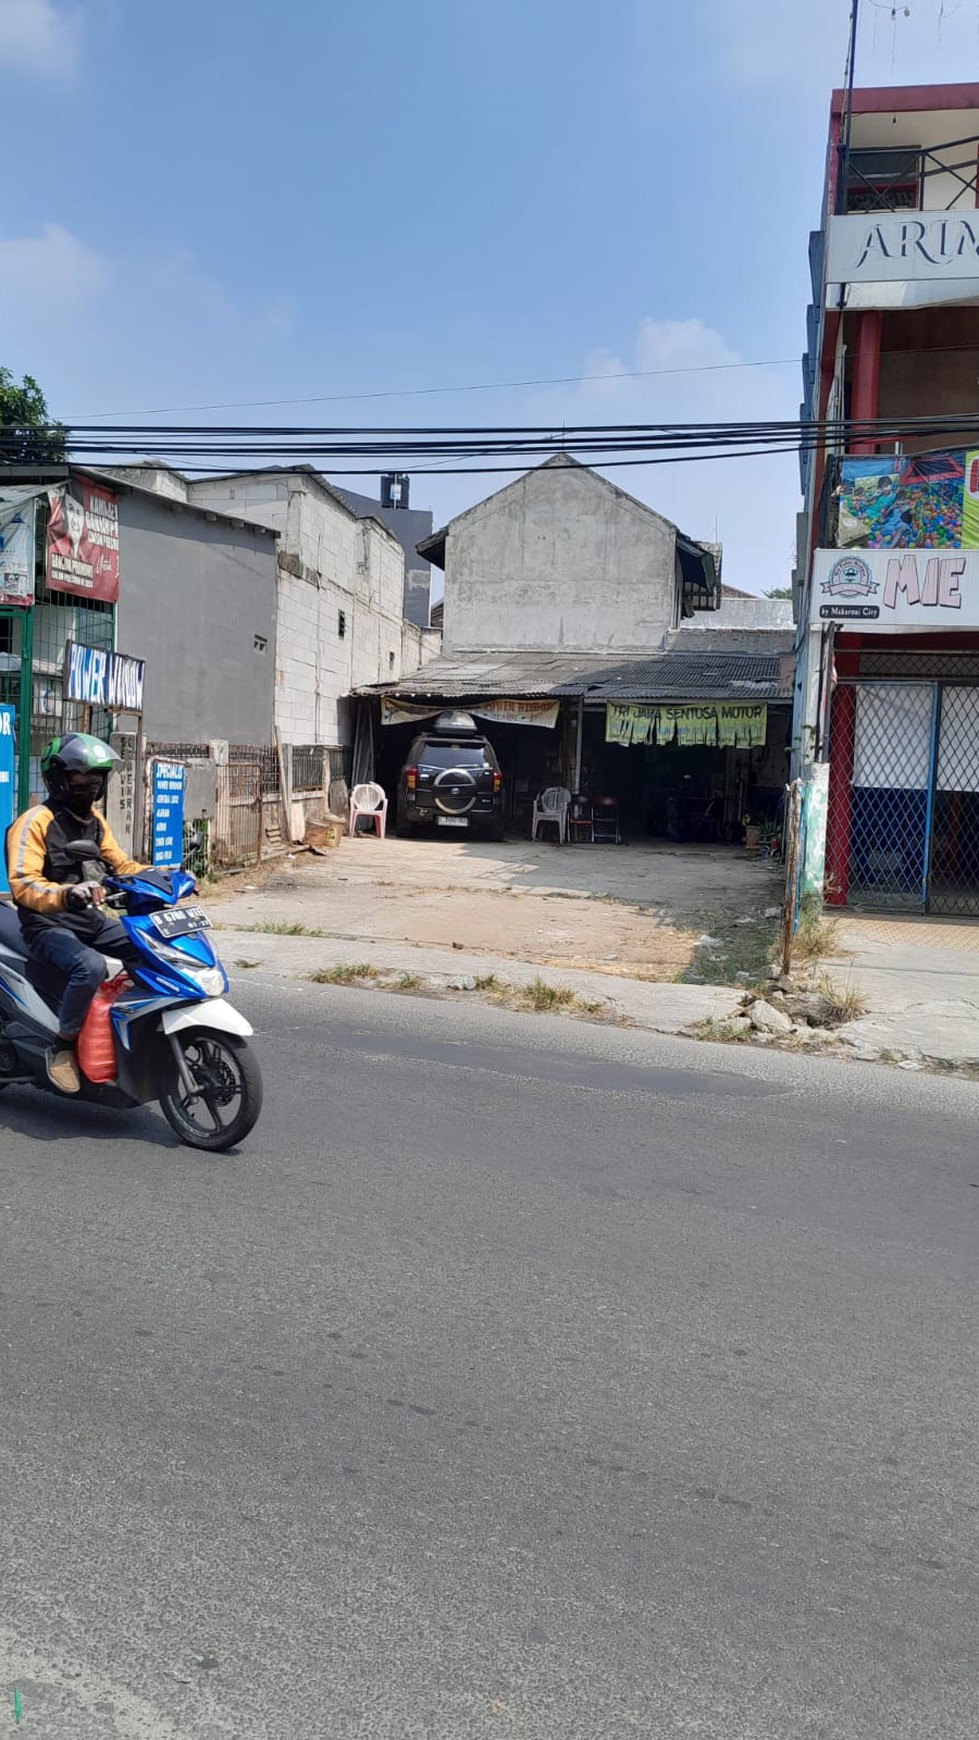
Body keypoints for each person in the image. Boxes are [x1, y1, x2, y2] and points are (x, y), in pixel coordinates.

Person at [5, 733, 149, 1095]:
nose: (92, 783)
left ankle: (132, 1022)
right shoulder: (34, 822)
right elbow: (23, 883)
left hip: (87, 918)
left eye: (98, 776)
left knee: (145, 945)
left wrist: (163, 876)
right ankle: (64, 1043)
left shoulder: (94, 820)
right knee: (91, 966)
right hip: (45, 924)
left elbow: (121, 865)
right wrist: (68, 895)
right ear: (58, 777)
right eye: (81, 775)